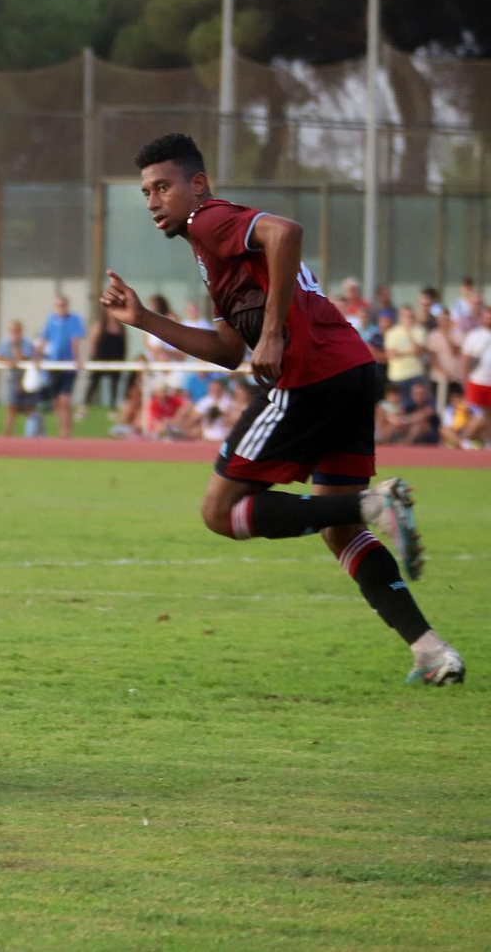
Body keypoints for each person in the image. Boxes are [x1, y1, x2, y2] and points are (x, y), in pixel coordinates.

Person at [109, 132, 461, 685]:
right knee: (341, 532)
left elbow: (284, 231)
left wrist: (273, 333)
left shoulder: (210, 219)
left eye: (164, 186)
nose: (154, 200)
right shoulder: (213, 252)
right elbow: (228, 351)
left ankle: (373, 505)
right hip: (349, 369)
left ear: (197, 185)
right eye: (147, 191)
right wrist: (143, 319)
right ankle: (431, 650)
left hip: (309, 373)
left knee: (220, 512)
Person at [39, 294, 84, 438]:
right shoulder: (51, 320)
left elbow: (75, 340)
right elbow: (44, 338)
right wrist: (36, 357)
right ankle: (62, 429)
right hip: (54, 364)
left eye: (63, 305)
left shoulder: (74, 320)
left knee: (65, 399)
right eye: (58, 305)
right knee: (57, 400)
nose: (61, 308)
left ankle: (67, 431)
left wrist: (77, 359)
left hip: (68, 364)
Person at [0, 319, 40, 437]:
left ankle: (30, 436)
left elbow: (26, 358)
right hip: (13, 378)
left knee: (30, 407)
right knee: (12, 406)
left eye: (17, 331)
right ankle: (7, 435)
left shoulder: (26, 343)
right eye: (13, 331)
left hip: (26, 379)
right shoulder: (4, 342)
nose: (15, 334)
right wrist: (7, 361)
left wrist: (16, 348)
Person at [83, 309, 128, 412]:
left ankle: (112, 408)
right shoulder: (100, 325)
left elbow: (124, 345)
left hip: (116, 359)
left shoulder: (121, 328)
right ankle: (85, 405)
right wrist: (92, 357)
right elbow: (93, 341)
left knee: (114, 384)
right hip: (100, 358)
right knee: (93, 382)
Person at [461, 304, 491, 444]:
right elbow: (466, 360)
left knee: (488, 418)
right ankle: (465, 440)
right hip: (477, 381)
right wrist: (464, 381)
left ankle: (486, 442)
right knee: (479, 416)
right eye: (486, 317)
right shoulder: (475, 335)